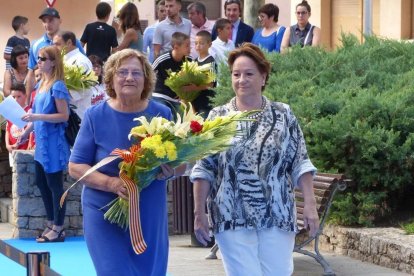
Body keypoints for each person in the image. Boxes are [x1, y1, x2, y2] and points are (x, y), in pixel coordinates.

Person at [191, 43, 319, 276]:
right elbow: (204, 169)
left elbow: (300, 161)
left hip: (277, 215)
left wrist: (310, 205)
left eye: (249, 74)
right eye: (236, 74)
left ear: (263, 76)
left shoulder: (283, 114)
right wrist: (199, 213)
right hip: (230, 215)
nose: (241, 80)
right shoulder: (218, 117)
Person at [68, 48, 185, 275]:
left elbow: (182, 164)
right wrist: (112, 184)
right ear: (111, 77)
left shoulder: (162, 114)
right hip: (102, 210)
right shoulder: (95, 115)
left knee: (148, 271)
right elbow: (76, 166)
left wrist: (169, 170)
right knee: (114, 270)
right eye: (122, 72)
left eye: (136, 73)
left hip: (148, 210)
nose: (129, 77)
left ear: (146, 80)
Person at [20, 45, 70, 243]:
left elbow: (63, 115)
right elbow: (35, 116)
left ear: (53, 62)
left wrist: (37, 116)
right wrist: (26, 132)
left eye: (42, 58)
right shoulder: (42, 84)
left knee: (55, 185)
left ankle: (59, 228)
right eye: (38, 58)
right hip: (41, 142)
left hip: (53, 143)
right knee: (42, 183)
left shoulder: (57, 85)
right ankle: (51, 222)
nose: (38, 61)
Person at [26, 7, 85, 104]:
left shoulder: (72, 41)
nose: (47, 24)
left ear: (60, 20)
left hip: (68, 96)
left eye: (51, 20)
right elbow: (31, 73)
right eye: (44, 21)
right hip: (45, 95)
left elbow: (82, 64)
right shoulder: (36, 45)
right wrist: (28, 100)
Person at [53, 31, 93, 120]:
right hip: (70, 114)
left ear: (69, 43)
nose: (54, 48)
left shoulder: (79, 62)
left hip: (79, 115)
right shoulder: (64, 60)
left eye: (57, 44)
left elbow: (78, 93)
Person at [152, 32, 191, 117]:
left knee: (181, 122)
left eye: (190, 45)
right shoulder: (162, 59)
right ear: (176, 47)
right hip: (160, 96)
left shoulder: (190, 61)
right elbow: (148, 74)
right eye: (187, 45)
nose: (190, 48)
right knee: (164, 119)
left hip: (178, 99)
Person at [5, 83, 33, 167]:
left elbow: (32, 130)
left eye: (19, 96)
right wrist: (7, 145)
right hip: (12, 149)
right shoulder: (10, 111)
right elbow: (7, 129)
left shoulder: (29, 111)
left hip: (25, 149)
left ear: (25, 95)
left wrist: (29, 145)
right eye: (13, 97)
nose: (16, 99)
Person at [192, 30, 216, 118]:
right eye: (196, 43)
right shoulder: (194, 61)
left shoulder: (211, 61)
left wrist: (193, 87)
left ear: (209, 44)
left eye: (201, 43)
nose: (198, 46)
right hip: (195, 102)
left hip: (206, 104)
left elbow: (210, 84)